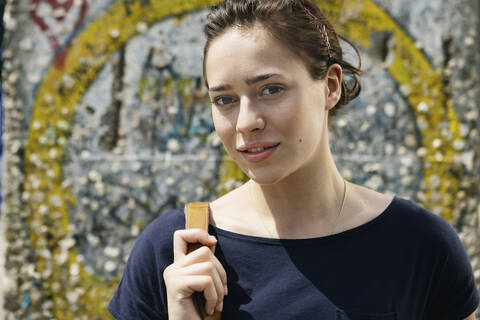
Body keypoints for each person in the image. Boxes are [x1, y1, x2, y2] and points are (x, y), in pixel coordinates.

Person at [108, 0, 479, 319]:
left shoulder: (419, 245)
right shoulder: (176, 252)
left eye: (271, 89)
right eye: (224, 99)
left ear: (331, 86)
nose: (247, 122)